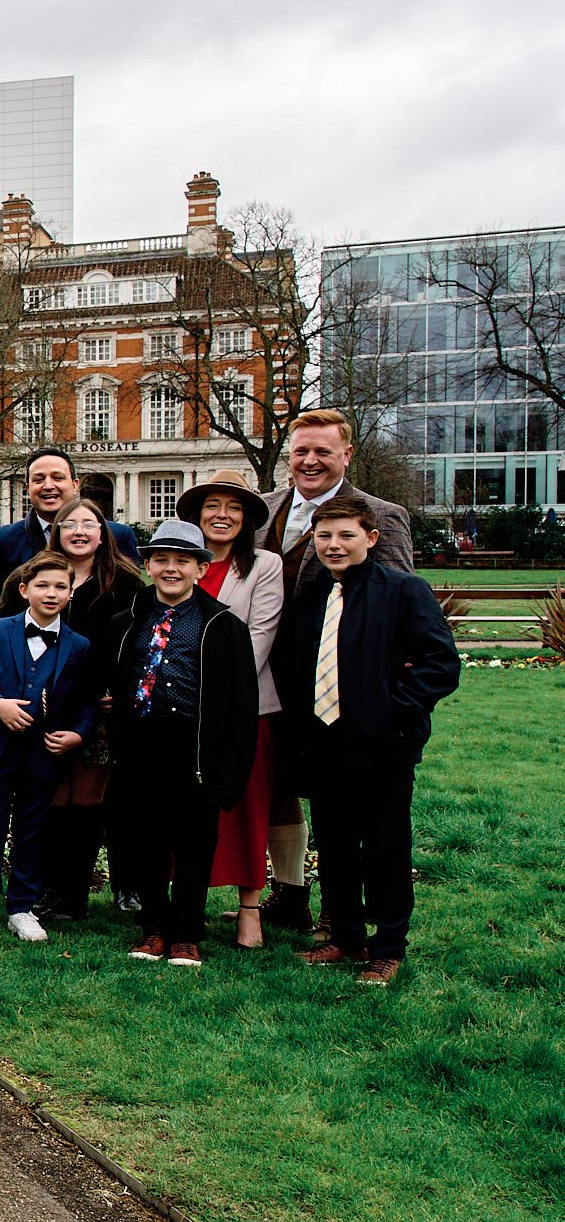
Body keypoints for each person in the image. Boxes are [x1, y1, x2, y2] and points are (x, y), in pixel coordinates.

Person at [277, 498, 459, 986]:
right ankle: (346, 935)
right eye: (324, 536)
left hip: (382, 746)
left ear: (371, 538)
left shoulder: (403, 591)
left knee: (385, 846)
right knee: (335, 844)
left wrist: (389, 712)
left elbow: (440, 664)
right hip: (323, 742)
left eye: (346, 536)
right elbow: (298, 665)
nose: (334, 545)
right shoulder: (313, 596)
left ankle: (388, 945)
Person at [106, 520, 260, 969]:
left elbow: (242, 702)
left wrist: (230, 768)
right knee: (147, 838)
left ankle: (188, 932)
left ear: (200, 569)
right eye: (162, 560)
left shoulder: (223, 626)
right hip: (141, 741)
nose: (171, 569)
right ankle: (154, 926)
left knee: (194, 842)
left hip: (194, 746)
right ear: (148, 565)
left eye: (182, 561)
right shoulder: (128, 621)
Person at [0, 553, 93, 945]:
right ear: (24, 589)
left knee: (32, 831)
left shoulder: (78, 645)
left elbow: (86, 703)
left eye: (60, 587)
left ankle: (21, 908)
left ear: (70, 593)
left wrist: (77, 735)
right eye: (43, 585)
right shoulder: (0, 630)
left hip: (43, 754)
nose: (51, 593)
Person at [177, 472, 287, 949]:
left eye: (234, 507)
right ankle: (186, 904)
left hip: (244, 708)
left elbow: (260, 635)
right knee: (187, 809)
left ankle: (250, 908)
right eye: (212, 506)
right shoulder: (182, 561)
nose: (222, 515)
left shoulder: (264, 565)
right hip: (184, 709)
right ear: (197, 515)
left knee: (245, 807)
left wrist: (217, 695)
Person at [34, 498, 145, 921]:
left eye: (89, 524)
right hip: (49, 706)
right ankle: (47, 886)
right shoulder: (41, 576)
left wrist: (119, 689)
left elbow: (138, 644)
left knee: (85, 798)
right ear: (57, 532)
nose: (79, 531)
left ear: (103, 534)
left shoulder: (125, 583)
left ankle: (73, 893)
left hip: (100, 710)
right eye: (69, 524)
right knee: (52, 796)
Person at [261, 409, 415, 598]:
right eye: (301, 451)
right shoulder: (261, 508)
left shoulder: (383, 515)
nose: (309, 461)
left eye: (322, 452)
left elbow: (399, 595)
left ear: (347, 455)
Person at [0, 448, 141, 615]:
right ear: (28, 488)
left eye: (58, 477)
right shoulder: (5, 539)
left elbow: (133, 606)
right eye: (39, 479)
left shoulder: (118, 535)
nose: (48, 486)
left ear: (75, 485)